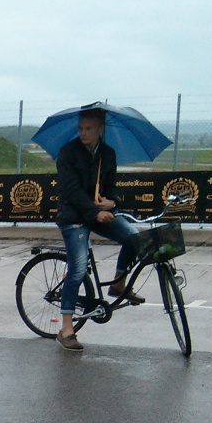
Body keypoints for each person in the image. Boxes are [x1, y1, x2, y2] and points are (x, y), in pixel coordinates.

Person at [52, 108, 145, 352]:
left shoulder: (108, 154)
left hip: (97, 213)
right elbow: (70, 191)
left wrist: (111, 203)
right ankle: (66, 329)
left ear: (100, 129)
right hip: (73, 215)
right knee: (78, 268)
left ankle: (119, 284)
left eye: (89, 129)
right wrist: (95, 212)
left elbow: (112, 186)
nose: (83, 133)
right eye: (80, 128)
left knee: (133, 237)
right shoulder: (68, 153)